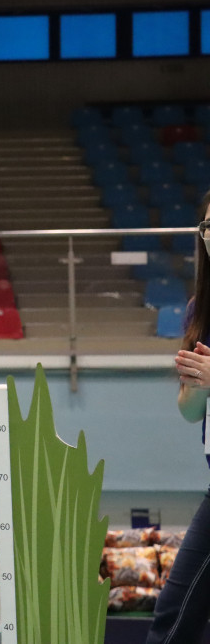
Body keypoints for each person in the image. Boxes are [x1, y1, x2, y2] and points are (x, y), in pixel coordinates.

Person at [148, 190, 210, 643]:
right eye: (208, 227)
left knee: (174, 619)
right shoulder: (199, 309)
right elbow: (191, 414)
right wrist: (196, 385)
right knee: (174, 616)